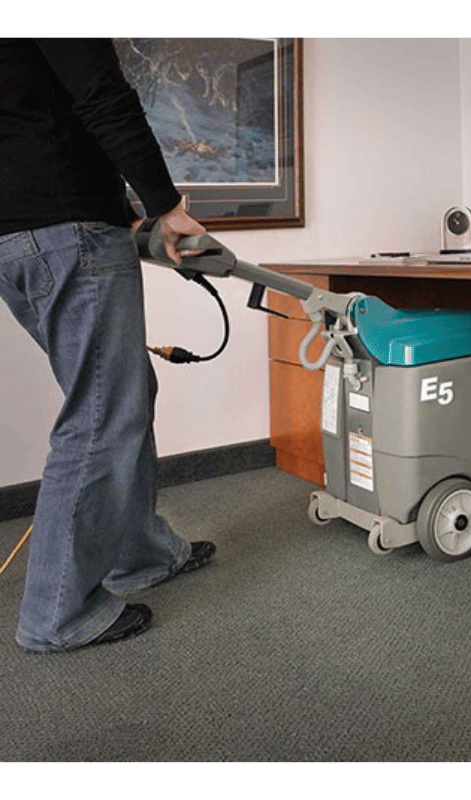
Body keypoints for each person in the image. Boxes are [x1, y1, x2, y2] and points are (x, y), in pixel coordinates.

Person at [0, 38, 216, 653]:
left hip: (19, 237)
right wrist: (166, 206)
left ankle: (139, 551)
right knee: (100, 413)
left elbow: (39, 114)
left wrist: (120, 208)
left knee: (122, 393)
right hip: (66, 231)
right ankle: (57, 613)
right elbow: (101, 95)